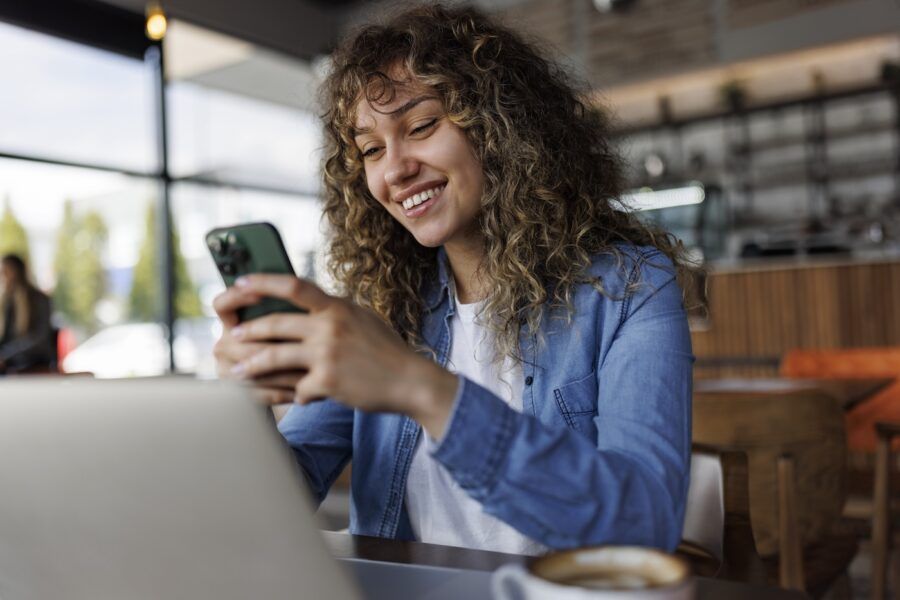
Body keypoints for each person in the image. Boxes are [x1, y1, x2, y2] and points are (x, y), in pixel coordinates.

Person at [213, 3, 694, 555]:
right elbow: (281, 495)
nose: (393, 170)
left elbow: (645, 525)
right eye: (370, 149)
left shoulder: (632, 288)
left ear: (501, 126)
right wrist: (242, 406)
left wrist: (419, 388)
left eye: (420, 126)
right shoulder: (382, 308)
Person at [0, 254, 55, 375]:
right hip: (10, 363)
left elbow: (39, 337)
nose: (2, 276)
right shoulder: (7, 302)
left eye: (5, 272)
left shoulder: (38, 299)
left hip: (31, 362)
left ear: (17, 272)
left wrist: (6, 355)